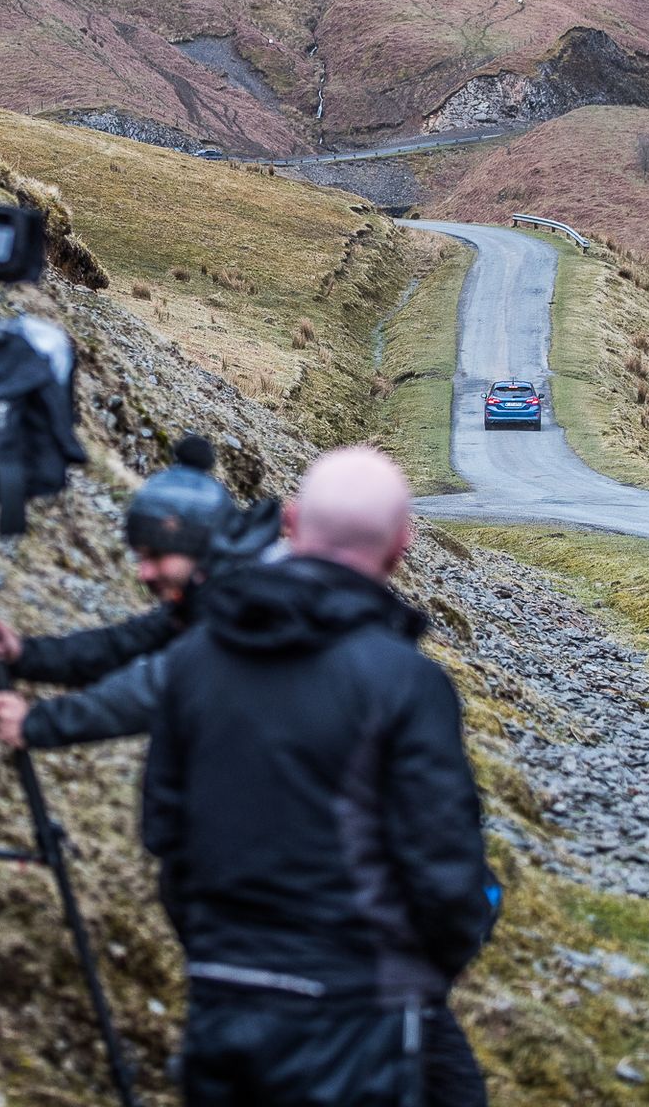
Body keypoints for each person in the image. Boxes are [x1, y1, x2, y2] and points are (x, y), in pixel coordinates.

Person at [144, 446, 496, 1107]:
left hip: (221, 996)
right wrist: (413, 981)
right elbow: (445, 875)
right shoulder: (406, 682)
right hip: (355, 1012)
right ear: (401, 544)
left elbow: (165, 833)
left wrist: (218, 951)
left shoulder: (194, 660)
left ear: (294, 523)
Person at [0, 435, 241, 749]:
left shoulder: (241, 614)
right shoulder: (205, 599)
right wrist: (25, 654)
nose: (143, 573)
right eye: (141, 556)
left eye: (157, 556)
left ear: (203, 549)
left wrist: (38, 723)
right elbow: (120, 647)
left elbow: (158, 689)